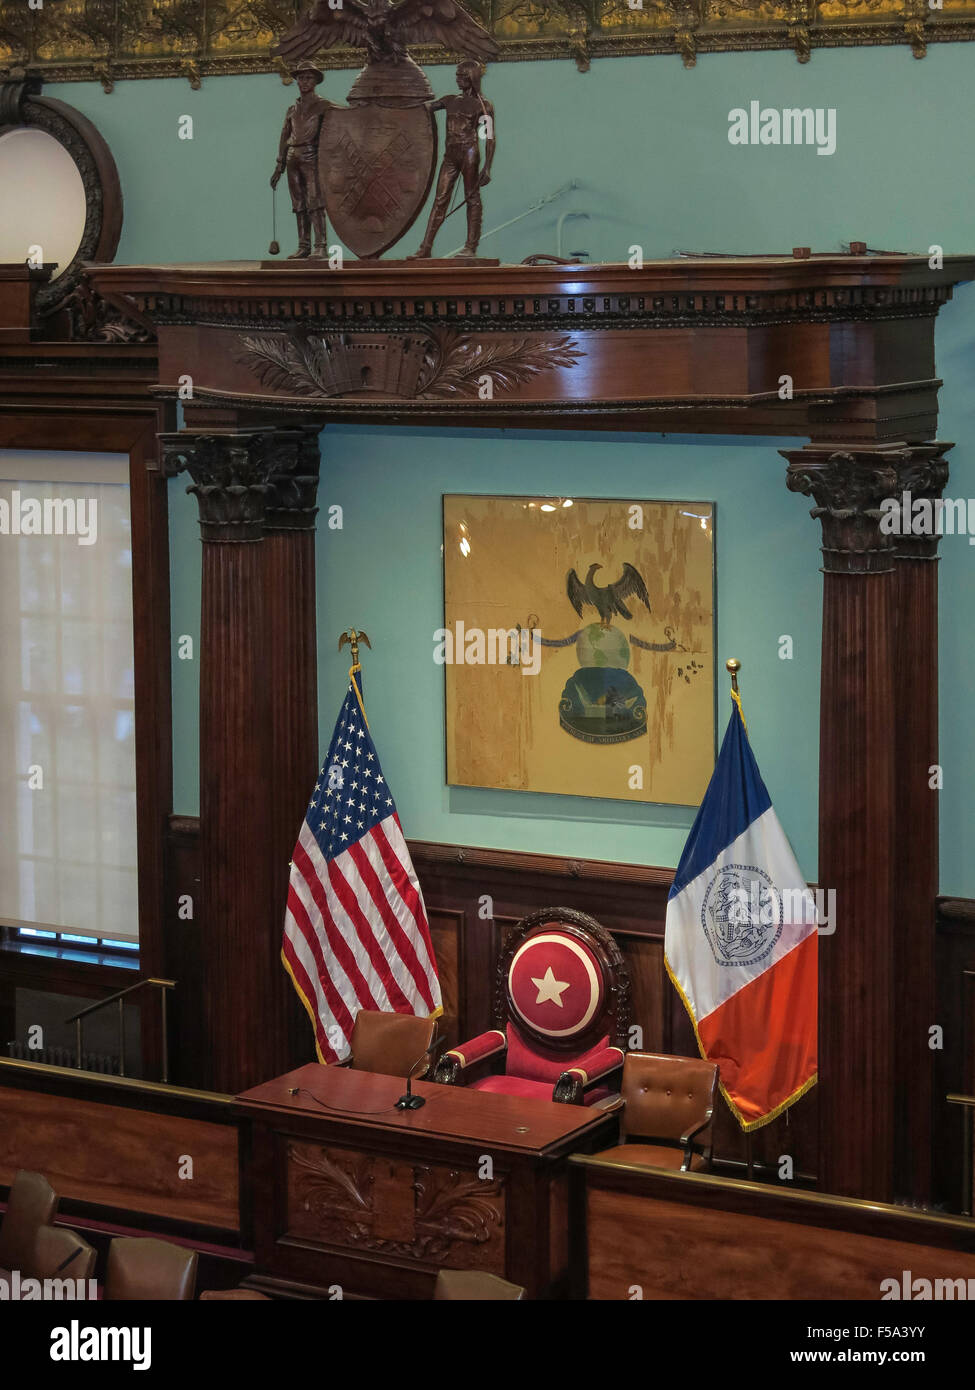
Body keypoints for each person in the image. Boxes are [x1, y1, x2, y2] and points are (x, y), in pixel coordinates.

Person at [409, 61, 495, 259]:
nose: (457, 79)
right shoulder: (449, 100)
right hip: (450, 156)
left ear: (471, 78)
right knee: (440, 199)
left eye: (461, 76)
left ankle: (470, 247)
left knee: (472, 198)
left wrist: (487, 167)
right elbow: (424, 108)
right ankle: (426, 247)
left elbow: (489, 138)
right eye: (456, 75)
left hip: (469, 153)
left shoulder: (484, 105)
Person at [271, 61, 334, 259]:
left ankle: (321, 245)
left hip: (311, 155)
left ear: (315, 81)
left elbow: (335, 133)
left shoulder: (324, 106)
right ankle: (304, 245)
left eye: (308, 78)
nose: (304, 81)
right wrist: (279, 166)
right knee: (298, 203)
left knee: (314, 200)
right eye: (300, 78)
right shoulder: (292, 109)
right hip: (292, 157)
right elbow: (284, 136)